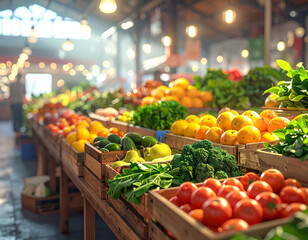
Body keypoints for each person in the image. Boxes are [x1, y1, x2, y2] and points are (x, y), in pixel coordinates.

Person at [10, 73, 25, 141]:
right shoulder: (22, 85)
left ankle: (16, 132)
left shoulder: (12, 85)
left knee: (15, 117)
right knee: (19, 117)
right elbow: (25, 93)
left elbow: (10, 94)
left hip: (13, 103)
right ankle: (19, 132)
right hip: (19, 103)